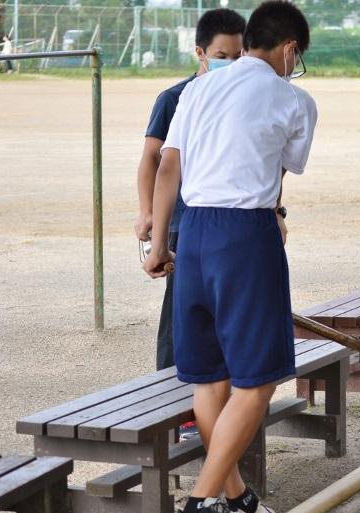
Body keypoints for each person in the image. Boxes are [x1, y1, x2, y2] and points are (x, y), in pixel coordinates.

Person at [142, 1, 317, 513]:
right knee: (258, 380)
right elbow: (282, 169)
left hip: (192, 233)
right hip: (245, 234)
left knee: (209, 377)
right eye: (297, 57)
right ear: (289, 49)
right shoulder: (294, 98)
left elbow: (167, 166)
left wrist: (158, 244)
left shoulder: (197, 89)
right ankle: (199, 507)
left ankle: (235, 497)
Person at [135, 8, 246, 374]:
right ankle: (170, 385)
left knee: (227, 309)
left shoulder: (245, 98)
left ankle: (224, 388)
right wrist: (148, 213)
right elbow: (153, 159)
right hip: (184, 219)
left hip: (230, 221)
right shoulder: (175, 98)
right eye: (221, 56)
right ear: (200, 53)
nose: (231, 64)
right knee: (182, 309)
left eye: (238, 56)